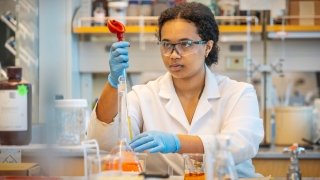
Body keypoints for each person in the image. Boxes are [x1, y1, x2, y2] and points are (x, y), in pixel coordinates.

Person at [87, 2, 264, 177]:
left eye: (185, 44)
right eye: (166, 44)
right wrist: (113, 82)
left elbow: (240, 144)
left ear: (208, 47)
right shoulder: (144, 96)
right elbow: (105, 142)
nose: (173, 54)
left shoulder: (238, 93)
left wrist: (177, 142)